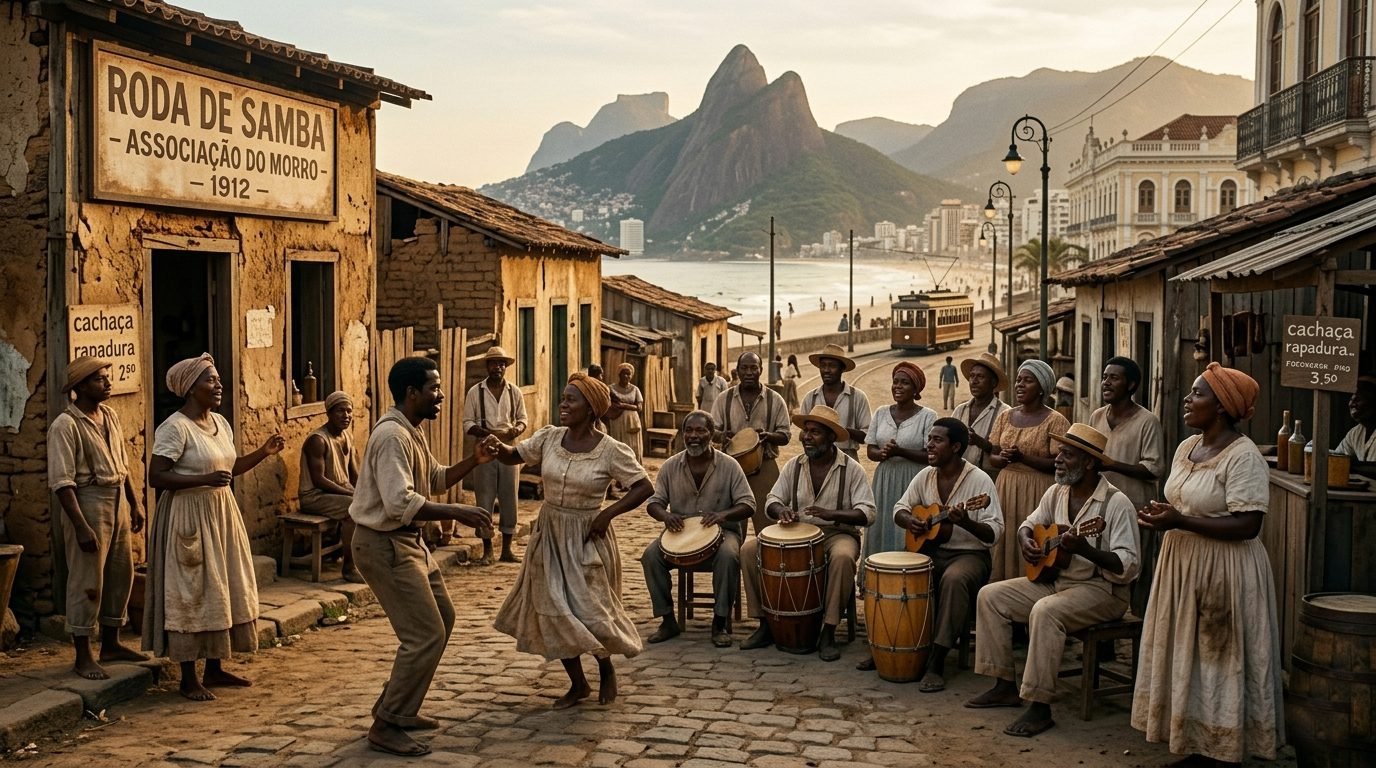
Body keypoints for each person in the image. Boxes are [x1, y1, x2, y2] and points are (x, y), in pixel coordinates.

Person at [1132, 363, 1283, 765]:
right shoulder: (1187, 447)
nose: (1187, 399)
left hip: (1224, 570)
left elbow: (1249, 524)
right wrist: (1166, 513)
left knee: (1219, 658)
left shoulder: (1243, 456)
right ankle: (1196, 743)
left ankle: (1224, 750)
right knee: (1188, 655)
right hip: (1183, 564)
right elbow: (1186, 501)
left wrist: (1179, 520)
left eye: (1197, 394)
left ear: (1221, 407)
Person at [350, 357, 494, 757]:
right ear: (411, 393)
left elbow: (433, 477)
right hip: (384, 544)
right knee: (424, 635)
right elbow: (400, 503)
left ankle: (395, 706)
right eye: (434, 389)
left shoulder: (410, 430)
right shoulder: (391, 436)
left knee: (443, 620)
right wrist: (457, 511)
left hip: (407, 543)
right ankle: (387, 724)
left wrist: (474, 461)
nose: (441, 395)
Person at [488, 373, 653, 709]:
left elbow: (643, 487)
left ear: (591, 409)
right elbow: (513, 456)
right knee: (553, 609)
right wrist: (497, 447)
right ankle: (578, 684)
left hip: (586, 537)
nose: (563, 404)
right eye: (562, 397)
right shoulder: (549, 438)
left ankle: (605, 666)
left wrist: (606, 515)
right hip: (548, 535)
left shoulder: (610, 451)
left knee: (591, 611)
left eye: (571, 400)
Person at [966, 423, 1139, 737]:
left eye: (1068, 455)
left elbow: (1128, 566)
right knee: (990, 596)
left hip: (1102, 590)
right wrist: (1027, 541)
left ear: (1089, 463)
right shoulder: (1057, 491)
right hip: (1056, 580)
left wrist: (1087, 548)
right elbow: (1028, 525)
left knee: (1045, 612)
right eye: (1059, 453)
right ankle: (1004, 684)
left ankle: (1039, 704)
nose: (1058, 460)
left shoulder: (1116, 504)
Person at [144, 353, 285, 702]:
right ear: (190, 389)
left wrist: (263, 452)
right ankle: (188, 677)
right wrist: (203, 478)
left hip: (221, 513)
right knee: (192, 591)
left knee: (222, 587)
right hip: (187, 517)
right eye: (210, 380)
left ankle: (215, 668)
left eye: (218, 379)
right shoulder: (174, 427)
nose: (218, 385)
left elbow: (229, 467)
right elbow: (156, 476)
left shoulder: (221, 423)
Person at [740, 406, 876, 661]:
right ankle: (765, 625)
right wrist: (781, 511)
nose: (807, 437)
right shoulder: (794, 465)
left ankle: (828, 631)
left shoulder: (851, 468)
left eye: (815, 432)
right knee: (748, 550)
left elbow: (868, 512)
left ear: (831, 438)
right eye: (805, 432)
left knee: (844, 558)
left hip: (836, 533)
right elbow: (772, 499)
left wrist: (833, 514)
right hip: (795, 533)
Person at [48, 356, 146, 680]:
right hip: (88, 502)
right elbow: (62, 483)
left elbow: (124, 463)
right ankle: (83, 654)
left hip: (116, 498)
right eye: (98, 379)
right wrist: (80, 525)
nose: (107, 383)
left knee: (121, 574)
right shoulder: (66, 425)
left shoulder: (111, 416)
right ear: (79, 387)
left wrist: (134, 502)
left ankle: (112, 643)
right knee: (87, 580)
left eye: (107, 377)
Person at [886, 418, 1002, 690]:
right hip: (929, 550)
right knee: (898, 573)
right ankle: (895, 647)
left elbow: (995, 532)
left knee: (953, 579)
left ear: (956, 447)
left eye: (937, 440)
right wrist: (909, 521)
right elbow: (900, 507)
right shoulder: (925, 475)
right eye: (929, 438)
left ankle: (937, 661)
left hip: (969, 555)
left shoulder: (979, 481)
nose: (929, 444)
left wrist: (966, 522)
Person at [640, 411, 754, 647]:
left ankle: (720, 622)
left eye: (700, 430)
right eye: (689, 431)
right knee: (650, 556)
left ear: (711, 434)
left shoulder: (729, 465)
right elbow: (654, 503)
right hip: (680, 535)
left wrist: (723, 515)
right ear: (683, 434)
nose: (694, 436)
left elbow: (748, 504)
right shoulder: (671, 466)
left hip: (723, 534)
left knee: (728, 555)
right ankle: (668, 620)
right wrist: (666, 515)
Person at [1088, 357, 1165, 615]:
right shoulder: (1097, 416)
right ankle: (1103, 636)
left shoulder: (1147, 421)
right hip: (1100, 509)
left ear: (1131, 385)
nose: (1106, 383)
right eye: (1105, 376)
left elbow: (1153, 468)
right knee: (1099, 571)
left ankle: (1138, 638)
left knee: (1135, 573)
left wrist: (1111, 464)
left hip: (1136, 509)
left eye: (1114, 378)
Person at [987, 360, 1070, 581]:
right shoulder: (1005, 416)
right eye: (1018, 380)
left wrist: (1023, 457)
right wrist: (1002, 458)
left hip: (1038, 489)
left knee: (1033, 538)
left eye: (1028, 380)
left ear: (1042, 387)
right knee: (1005, 541)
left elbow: (1058, 462)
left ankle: (1030, 587)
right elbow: (992, 456)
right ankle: (1002, 590)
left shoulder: (1056, 421)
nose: (1020, 385)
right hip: (1005, 486)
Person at [859, 362, 935, 564]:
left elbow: (930, 455)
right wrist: (882, 453)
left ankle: (907, 575)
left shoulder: (928, 416)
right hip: (884, 479)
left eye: (905, 383)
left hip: (913, 479)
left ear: (916, 389)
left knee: (909, 528)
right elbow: (870, 449)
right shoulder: (882, 413)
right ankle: (878, 572)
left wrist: (900, 451)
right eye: (895, 382)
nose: (898, 387)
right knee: (883, 523)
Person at [711, 352, 791, 536]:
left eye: (753, 368)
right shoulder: (724, 399)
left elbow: (785, 435)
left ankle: (764, 563)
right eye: (744, 368)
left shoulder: (775, 400)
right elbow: (712, 431)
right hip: (731, 468)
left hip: (764, 464)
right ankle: (734, 560)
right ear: (737, 370)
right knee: (731, 527)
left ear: (760, 370)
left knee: (768, 525)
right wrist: (723, 436)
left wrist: (768, 436)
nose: (749, 372)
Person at [462, 346, 528, 564]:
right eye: (493, 363)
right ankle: (487, 549)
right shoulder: (475, 392)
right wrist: (487, 433)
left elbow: (522, 419)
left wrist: (515, 430)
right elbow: (467, 423)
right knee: (485, 497)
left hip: (509, 447)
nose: (497, 367)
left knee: (510, 496)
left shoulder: (514, 391)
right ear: (487, 366)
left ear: (505, 367)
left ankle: (507, 550)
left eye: (501, 364)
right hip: (485, 448)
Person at [299, 391, 362, 581]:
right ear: (329, 413)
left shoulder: (346, 437)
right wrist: (351, 494)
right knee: (354, 509)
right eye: (340, 411)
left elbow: (354, 473)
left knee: (368, 503)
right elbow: (319, 480)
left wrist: (363, 491)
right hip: (314, 496)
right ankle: (349, 569)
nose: (346, 416)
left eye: (349, 411)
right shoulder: (317, 440)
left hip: (337, 494)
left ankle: (361, 558)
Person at [800, 344, 872, 459]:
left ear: (842, 368)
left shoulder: (858, 397)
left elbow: (867, 436)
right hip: (815, 460)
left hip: (847, 459)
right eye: (823, 366)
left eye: (832, 366)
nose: (826, 370)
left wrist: (841, 430)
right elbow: (802, 434)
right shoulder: (810, 398)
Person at [952, 352, 1012, 480]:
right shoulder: (960, 410)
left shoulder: (1005, 413)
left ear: (993, 383)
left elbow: (1006, 453)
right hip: (958, 477)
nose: (974, 381)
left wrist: (981, 443)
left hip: (989, 479)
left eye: (980, 377)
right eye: (972, 376)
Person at [606, 363, 645, 464]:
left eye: (629, 374)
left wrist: (623, 405)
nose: (626, 376)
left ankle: (634, 467)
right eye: (624, 374)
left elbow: (639, 407)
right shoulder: (611, 388)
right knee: (619, 443)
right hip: (617, 419)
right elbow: (609, 405)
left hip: (632, 421)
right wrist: (626, 406)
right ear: (619, 374)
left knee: (633, 445)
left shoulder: (635, 389)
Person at [1335, 375, 1376, 468]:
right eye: (1353, 395)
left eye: (1363, 393)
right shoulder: (1355, 433)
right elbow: (1337, 459)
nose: (1352, 401)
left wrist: (1350, 465)